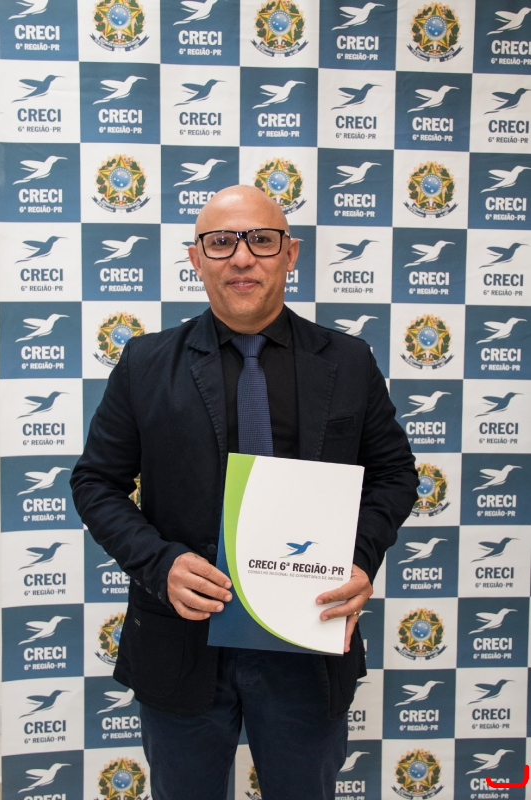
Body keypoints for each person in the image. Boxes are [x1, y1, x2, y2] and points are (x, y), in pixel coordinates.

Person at [71, 185, 418, 800]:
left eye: (261, 240)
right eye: (220, 242)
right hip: (182, 639)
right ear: (195, 258)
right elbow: (95, 482)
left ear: (290, 254)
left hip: (307, 640)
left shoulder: (348, 360)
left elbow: (394, 475)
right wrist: (159, 564)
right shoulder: (145, 363)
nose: (241, 256)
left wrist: (360, 559)